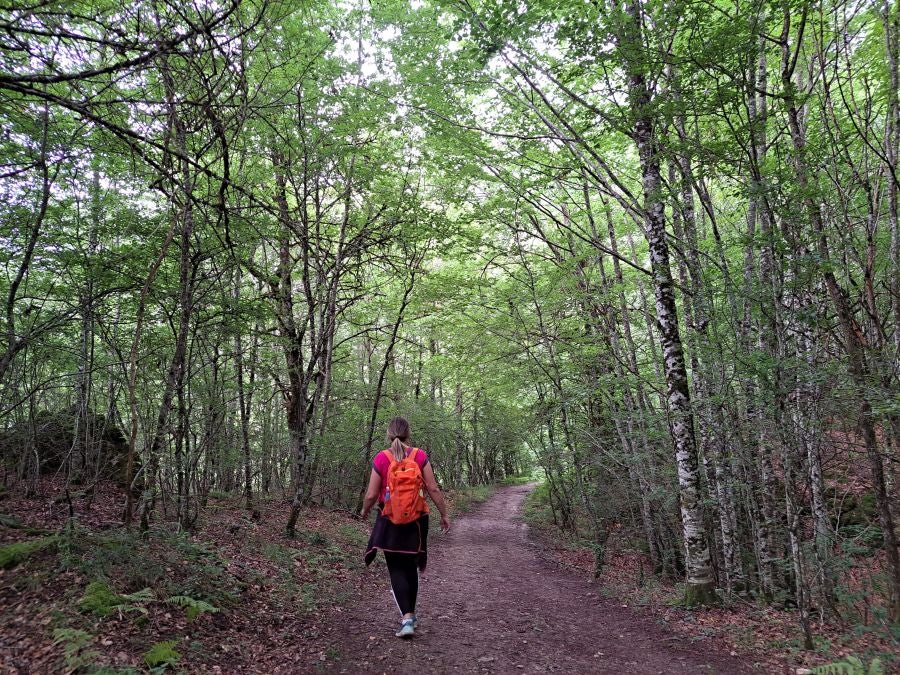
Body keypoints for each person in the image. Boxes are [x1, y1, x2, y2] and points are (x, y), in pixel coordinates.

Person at [361, 416, 451, 638]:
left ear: (389, 434)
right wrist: (444, 514)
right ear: (408, 433)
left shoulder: (382, 458)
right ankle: (410, 614)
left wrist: (363, 511)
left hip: (389, 519)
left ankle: (407, 618)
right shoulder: (419, 456)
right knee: (411, 566)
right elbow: (433, 488)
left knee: (396, 568)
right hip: (417, 520)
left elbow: (372, 494)